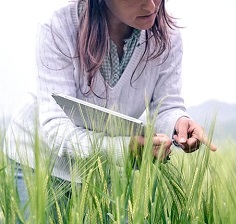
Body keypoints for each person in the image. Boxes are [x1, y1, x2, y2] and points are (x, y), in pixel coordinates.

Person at [4, 0, 217, 212]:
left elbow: (166, 105)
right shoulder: (57, 28)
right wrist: (124, 148)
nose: (152, 6)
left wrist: (178, 123)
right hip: (37, 162)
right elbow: (56, 126)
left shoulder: (167, 37)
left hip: (100, 169)